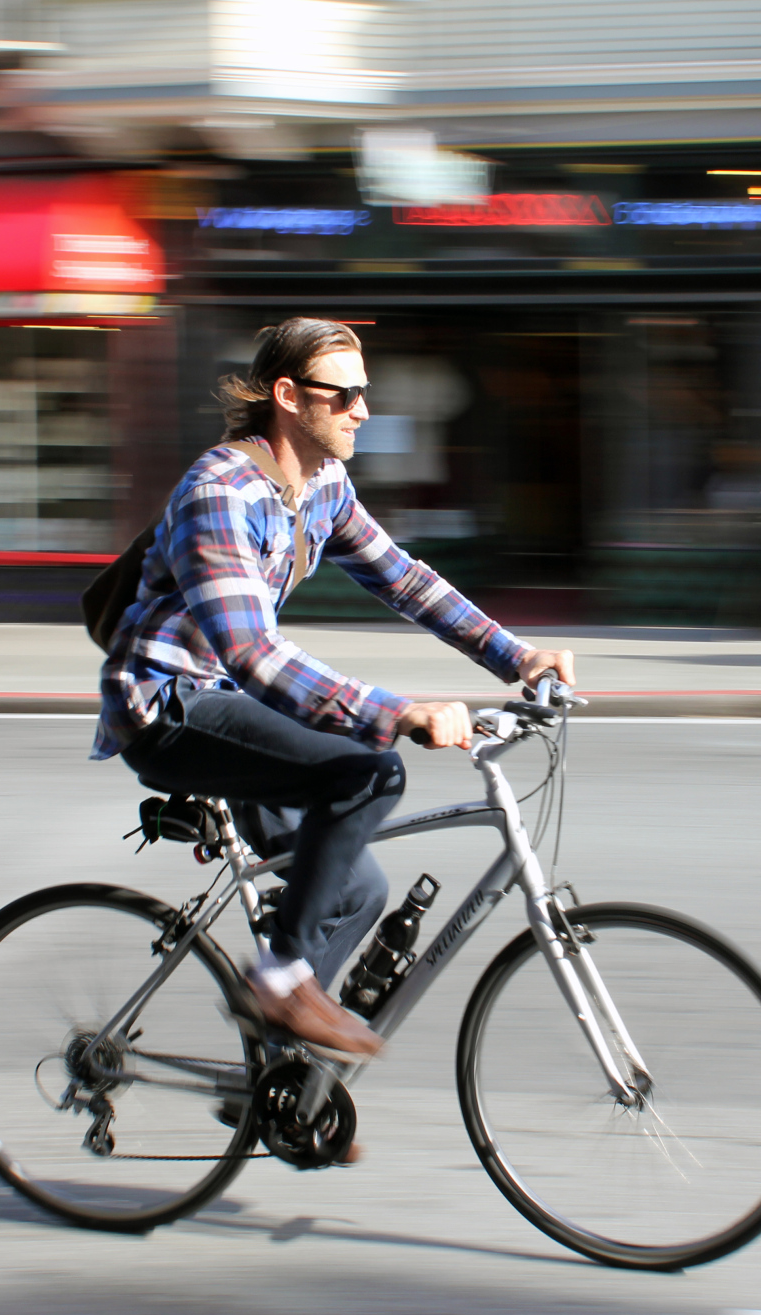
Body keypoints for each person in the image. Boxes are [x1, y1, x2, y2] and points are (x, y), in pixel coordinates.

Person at [92, 317, 575, 1059]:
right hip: (167, 705)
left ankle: (278, 1079)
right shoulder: (219, 494)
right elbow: (252, 653)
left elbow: (404, 580)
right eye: (344, 395)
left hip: (229, 702)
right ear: (288, 396)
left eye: (364, 393)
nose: (363, 411)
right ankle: (281, 981)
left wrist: (518, 657)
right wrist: (397, 712)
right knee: (368, 771)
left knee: (355, 892)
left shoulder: (322, 486)